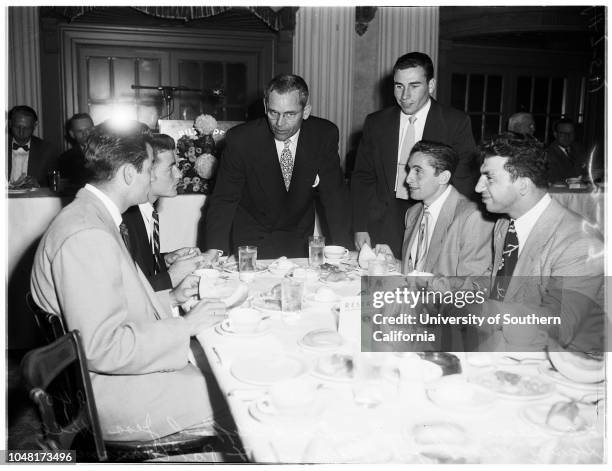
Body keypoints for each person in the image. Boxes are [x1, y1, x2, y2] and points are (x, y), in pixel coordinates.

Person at [30, 121, 226, 441]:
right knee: (234, 392)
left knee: (218, 362)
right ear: (127, 174)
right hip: (107, 394)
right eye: (150, 168)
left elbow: (115, 304)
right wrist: (187, 326)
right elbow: (103, 348)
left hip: (108, 375)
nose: (153, 177)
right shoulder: (87, 235)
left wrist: (172, 300)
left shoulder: (93, 214)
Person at [473, 133, 604, 352]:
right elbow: (497, 283)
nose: (478, 187)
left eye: (489, 178)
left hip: (566, 364)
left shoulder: (581, 243)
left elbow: (558, 325)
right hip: (507, 345)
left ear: (523, 185)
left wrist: (484, 312)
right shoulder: (505, 225)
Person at [204, 73, 351, 259]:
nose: (280, 124)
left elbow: (335, 197)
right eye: (273, 113)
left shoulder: (323, 135)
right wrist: (215, 249)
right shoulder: (241, 140)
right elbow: (224, 199)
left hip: (298, 238)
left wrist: (344, 247)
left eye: (290, 114)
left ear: (305, 111)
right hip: (253, 239)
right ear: (266, 107)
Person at [351, 52, 477, 258]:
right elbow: (363, 177)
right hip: (383, 221)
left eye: (414, 86)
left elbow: (464, 179)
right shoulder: (376, 123)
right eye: (399, 86)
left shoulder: (455, 122)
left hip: (430, 219)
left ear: (431, 85)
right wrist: (360, 225)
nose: (404, 95)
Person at [122, 133, 206, 291]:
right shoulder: (125, 221)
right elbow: (130, 292)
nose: (179, 174)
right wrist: (172, 276)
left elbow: (142, 267)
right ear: (148, 172)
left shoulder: (147, 211)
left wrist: (166, 259)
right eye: (170, 168)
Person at [398, 140, 493, 276]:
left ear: (443, 177)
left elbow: (471, 284)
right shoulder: (413, 213)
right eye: (409, 169)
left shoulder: (472, 217)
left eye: (418, 171)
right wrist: (394, 263)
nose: (408, 179)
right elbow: (419, 268)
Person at [7, 105, 57, 186]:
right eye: (17, 127)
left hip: (33, 197)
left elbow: (54, 183)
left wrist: (38, 185)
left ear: (35, 125)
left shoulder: (47, 150)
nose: (21, 132)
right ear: (10, 123)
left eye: (26, 128)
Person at [57, 113, 94, 189]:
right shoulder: (65, 159)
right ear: (72, 134)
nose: (85, 134)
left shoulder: (109, 152)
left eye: (88, 130)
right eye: (80, 131)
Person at [545, 118, 587, 183]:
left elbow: (587, 169)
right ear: (555, 134)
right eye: (563, 133)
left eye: (571, 133)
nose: (567, 136)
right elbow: (553, 180)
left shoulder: (579, 148)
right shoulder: (548, 153)